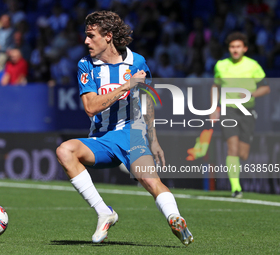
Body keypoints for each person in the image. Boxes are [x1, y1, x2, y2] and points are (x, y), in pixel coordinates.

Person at [56, 10, 193, 246]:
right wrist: (125, 86)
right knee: (64, 151)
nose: (86, 41)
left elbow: (147, 100)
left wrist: (154, 138)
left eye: (91, 36)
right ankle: (104, 212)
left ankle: (175, 219)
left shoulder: (137, 62)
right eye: (85, 36)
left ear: (108, 36)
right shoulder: (85, 65)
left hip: (132, 134)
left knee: (150, 181)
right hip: (101, 139)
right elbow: (90, 107)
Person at [210, 32, 270, 198]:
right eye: (232, 47)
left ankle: (236, 180)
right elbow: (215, 86)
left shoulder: (253, 65)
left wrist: (251, 94)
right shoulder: (221, 65)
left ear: (245, 48)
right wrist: (214, 108)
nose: (235, 50)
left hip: (248, 112)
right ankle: (236, 188)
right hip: (229, 110)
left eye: (238, 46)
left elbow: (266, 88)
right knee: (232, 148)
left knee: (243, 153)